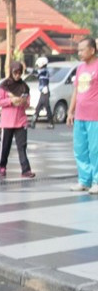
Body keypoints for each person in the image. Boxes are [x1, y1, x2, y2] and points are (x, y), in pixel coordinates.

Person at [66, 37, 98, 195]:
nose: (79, 53)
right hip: (80, 115)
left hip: (95, 116)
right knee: (80, 149)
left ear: (92, 50)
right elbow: (76, 90)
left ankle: (97, 180)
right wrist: (70, 111)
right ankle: (84, 180)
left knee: (95, 149)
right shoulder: (80, 68)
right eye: (78, 50)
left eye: (82, 50)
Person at [0, 61, 35, 179]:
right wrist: (11, 101)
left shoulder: (24, 87)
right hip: (7, 121)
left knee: (22, 146)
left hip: (21, 120)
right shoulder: (4, 85)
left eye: (20, 73)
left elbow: (28, 103)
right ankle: (2, 166)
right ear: (11, 72)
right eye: (15, 73)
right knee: (5, 146)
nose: (17, 75)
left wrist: (23, 102)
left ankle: (26, 169)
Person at [31, 56, 53, 129]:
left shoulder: (45, 71)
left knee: (47, 107)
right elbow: (36, 74)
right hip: (43, 92)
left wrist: (29, 70)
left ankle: (51, 123)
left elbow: (37, 72)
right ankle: (33, 122)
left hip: (45, 91)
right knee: (38, 107)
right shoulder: (43, 71)